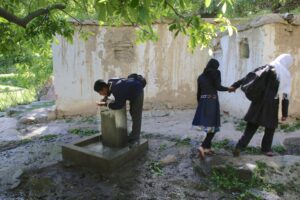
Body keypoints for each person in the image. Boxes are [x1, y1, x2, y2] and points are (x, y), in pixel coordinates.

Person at [231, 54, 293, 157]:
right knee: (270, 127)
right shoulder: (286, 75)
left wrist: (235, 85)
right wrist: (284, 113)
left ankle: (239, 147)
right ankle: (266, 149)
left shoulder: (267, 66)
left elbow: (249, 76)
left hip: (259, 101)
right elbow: (285, 96)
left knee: (251, 126)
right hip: (272, 103)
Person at [192, 58, 234, 159]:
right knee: (214, 126)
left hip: (203, 101)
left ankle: (207, 148)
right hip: (212, 101)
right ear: (216, 67)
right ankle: (202, 146)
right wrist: (229, 88)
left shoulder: (200, 77)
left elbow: (199, 93)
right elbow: (218, 87)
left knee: (209, 126)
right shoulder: (216, 73)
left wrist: (200, 104)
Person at [94, 76, 144, 144]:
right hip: (132, 88)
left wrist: (105, 104)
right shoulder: (110, 82)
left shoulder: (117, 89)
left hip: (138, 92)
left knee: (136, 116)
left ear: (104, 88)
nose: (101, 94)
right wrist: (105, 98)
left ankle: (135, 138)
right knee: (132, 112)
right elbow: (109, 92)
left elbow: (118, 105)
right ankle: (134, 134)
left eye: (100, 92)